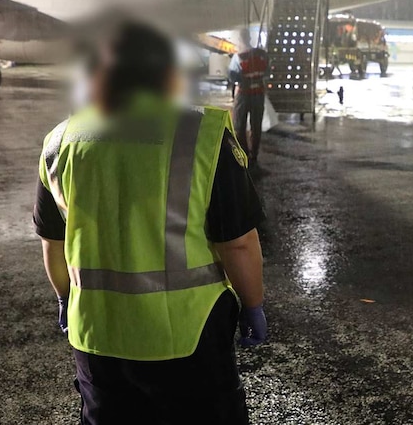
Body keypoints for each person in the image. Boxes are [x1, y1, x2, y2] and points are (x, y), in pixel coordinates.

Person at [33, 22, 267, 425]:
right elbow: (238, 243)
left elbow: (53, 242)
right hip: (189, 335)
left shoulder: (60, 141)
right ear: (167, 74)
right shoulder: (203, 133)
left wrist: (63, 298)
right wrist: (253, 304)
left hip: (96, 334)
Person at [230, 29, 269, 170]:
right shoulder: (262, 54)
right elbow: (267, 72)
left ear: (240, 40)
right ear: (250, 37)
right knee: (256, 126)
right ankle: (254, 156)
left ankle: (244, 155)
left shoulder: (238, 57)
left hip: (244, 94)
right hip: (258, 93)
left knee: (239, 126)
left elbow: (233, 77)